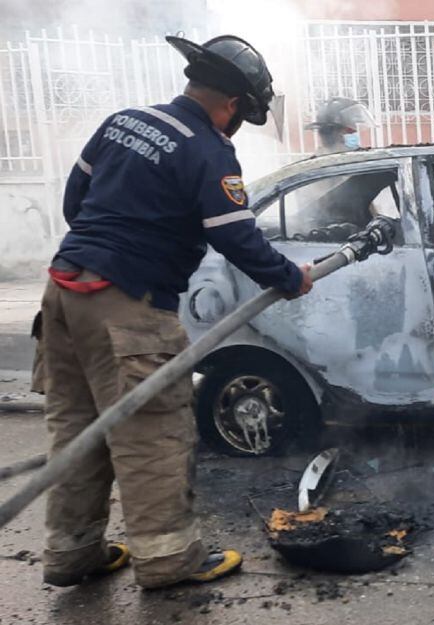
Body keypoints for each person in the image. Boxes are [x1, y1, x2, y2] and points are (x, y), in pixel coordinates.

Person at [37, 34, 312, 589]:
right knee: (152, 431)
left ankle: (72, 554)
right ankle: (167, 560)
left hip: (63, 294)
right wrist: (291, 277)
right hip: (128, 307)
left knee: (78, 429)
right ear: (232, 104)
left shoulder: (123, 121)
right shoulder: (207, 149)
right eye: (244, 114)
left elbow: (75, 200)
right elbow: (236, 237)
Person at [305, 96, 375, 153]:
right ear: (335, 133)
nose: (355, 133)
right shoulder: (341, 162)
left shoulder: (356, 157)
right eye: (350, 130)